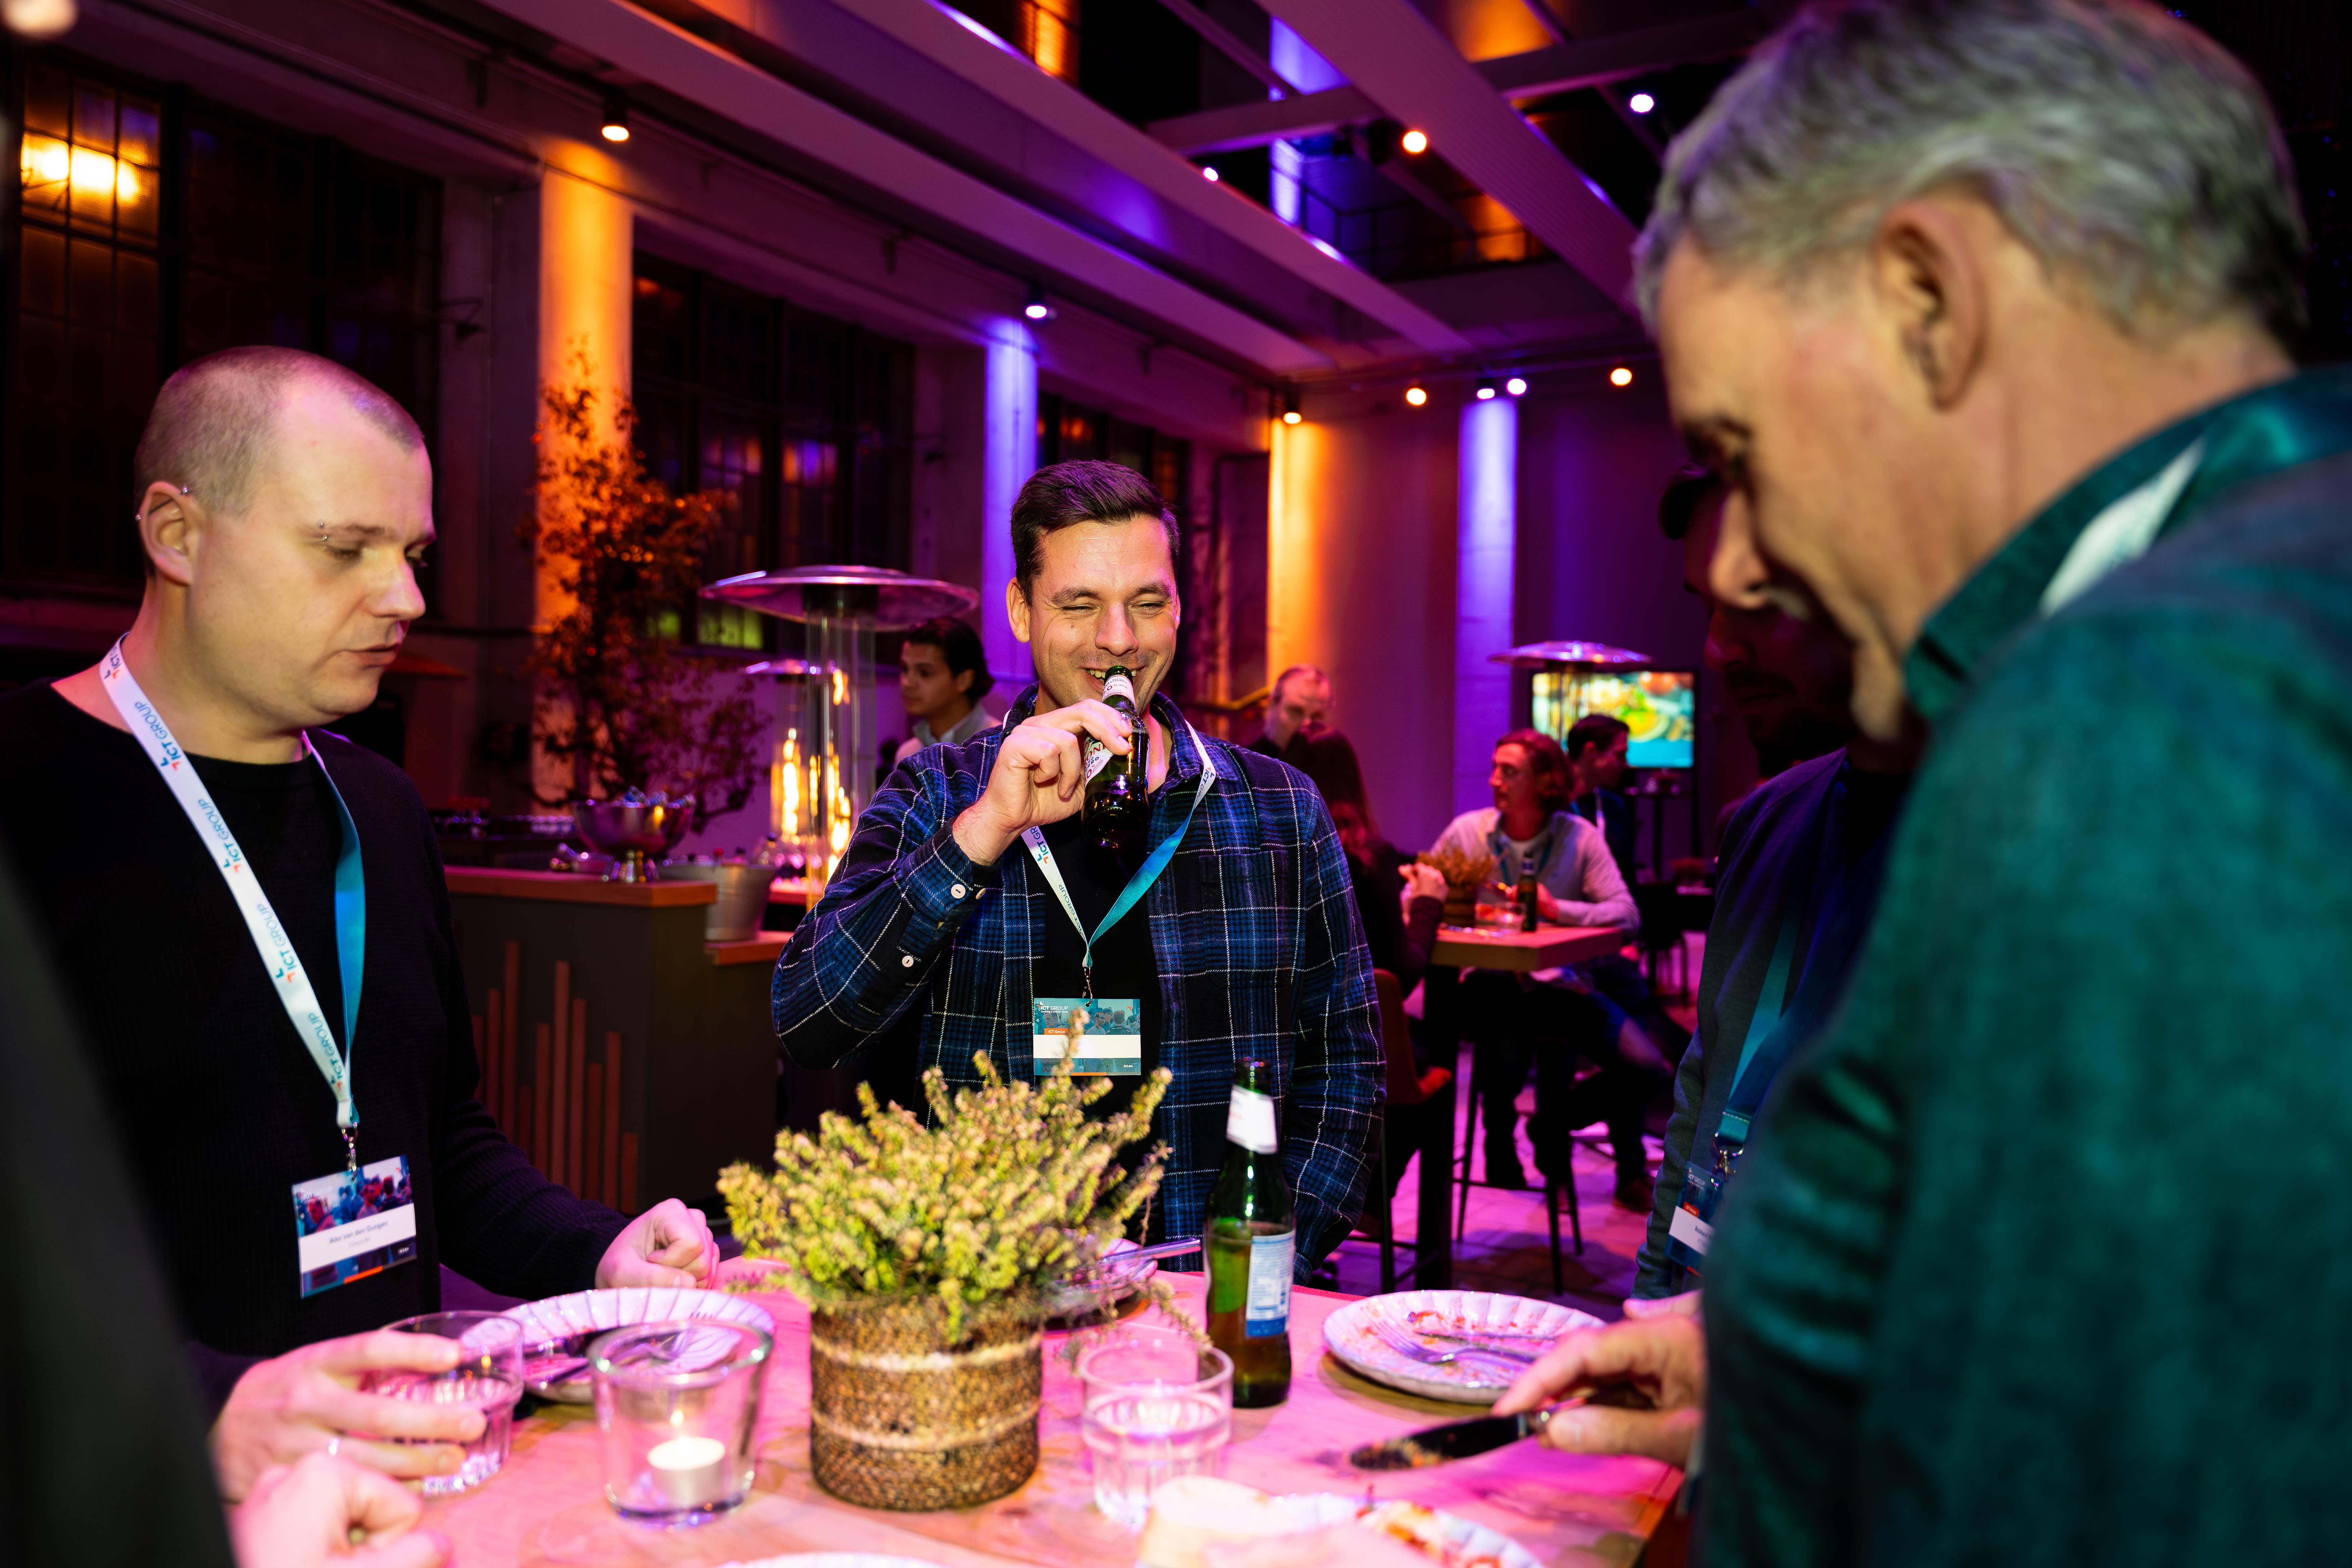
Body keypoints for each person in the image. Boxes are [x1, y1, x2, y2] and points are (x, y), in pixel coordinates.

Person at [1498, 2, 2352, 1559]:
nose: (1740, 569)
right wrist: (1801, 1366)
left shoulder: (2148, 708)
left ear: (1930, 299)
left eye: (1745, 447)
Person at [0, 347, 716, 1502]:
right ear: (177, 535)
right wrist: (208, 1409)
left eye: (412, 556)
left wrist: (595, 1251)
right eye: (345, 550)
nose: (406, 600)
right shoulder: (26, 801)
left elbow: (436, 1141)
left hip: (398, 1491)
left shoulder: (376, 807)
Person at [773, 460, 1381, 1274]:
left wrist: (1261, 1262)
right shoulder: (937, 790)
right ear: (1023, 610)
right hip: (984, 1296)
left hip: (1204, 1295)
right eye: (1080, 603)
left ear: (1179, 609)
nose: (1119, 637)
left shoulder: (1280, 809)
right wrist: (983, 831)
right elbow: (810, 1023)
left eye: (1147, 602)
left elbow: (1347, 1069)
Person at [1631, 470, 1917, 1299]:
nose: (1720, 648)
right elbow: (1704, 1093)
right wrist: (1649, 1302)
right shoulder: (1762, 824)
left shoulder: (2019, 855)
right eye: (1707, 607)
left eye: (1757, 599)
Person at [1430, 731, 1663, 1209]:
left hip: (1561, 987)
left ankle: (1548, 1125)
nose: (1494, 779)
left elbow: (1627, 914)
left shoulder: (1579, 836)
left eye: (1509, 771)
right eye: (1495, 768)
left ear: (1544, 781)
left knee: (1649, 1069)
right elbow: (1418, 892)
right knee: (1505, 1014)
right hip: (1489, 988)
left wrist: (1559, 910)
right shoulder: (1468, 832)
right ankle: (1508, 1138)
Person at [1279, 722, 1444, 994]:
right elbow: (1400, 977)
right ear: (1351, 782)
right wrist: (1428, 902)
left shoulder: (1269, 851)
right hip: (1351, 1019)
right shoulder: (1369, 860)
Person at [892, 615, 996, 763]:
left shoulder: (999, 748)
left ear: (964, 680)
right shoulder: (908, 755)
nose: (907, 683)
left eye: (925, 673)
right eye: (905, 669)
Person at [1562, 713, 1637, 883]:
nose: (1625, 764)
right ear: (1591, 752)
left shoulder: (1614, 806)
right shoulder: (1552, 806)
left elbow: (1628, 879)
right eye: (1619, 755)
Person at [1247, 662, 1330, 757]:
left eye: (1316, 716)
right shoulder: (1244, 762)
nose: (1307, 723)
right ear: (1271, 706)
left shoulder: (1332, 759)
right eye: (1296, 712)